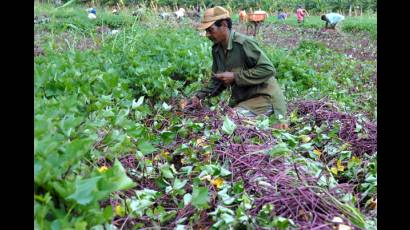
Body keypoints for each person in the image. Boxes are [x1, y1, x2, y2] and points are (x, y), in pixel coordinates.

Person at [186, 6, 287, 119]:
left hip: (265, 97)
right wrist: (199, 97)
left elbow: (268, 70)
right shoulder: (217, 49)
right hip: (245, 99)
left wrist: (235, 77)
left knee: (230, 119)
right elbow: (217, 80)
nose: (208, 35)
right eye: (206, 31)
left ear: (224, 25)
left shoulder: (244, 43)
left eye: (210, 30)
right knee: (221, 117)